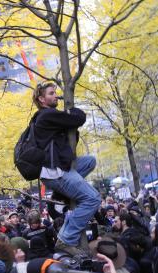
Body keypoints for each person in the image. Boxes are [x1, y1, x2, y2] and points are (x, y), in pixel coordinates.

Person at [32, 82, 101, 256]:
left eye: (56, 92)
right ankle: (66, 239)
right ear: (41, 99)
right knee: (93, 198)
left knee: (89, 161)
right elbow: (79, 118)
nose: (56, 95)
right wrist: (71, 110)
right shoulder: (47, 115)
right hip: (55, 171)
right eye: (51, 93)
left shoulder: (50, 117)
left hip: (61, 166)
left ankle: (60, 195)